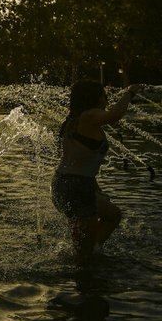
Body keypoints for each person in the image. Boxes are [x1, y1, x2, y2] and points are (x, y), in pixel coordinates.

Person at [51, 80, 144, 264]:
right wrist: (130, 93)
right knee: (83, 255)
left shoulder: (74, 120)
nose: (106, 99)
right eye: (103, 95)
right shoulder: (89, 116)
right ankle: (84, 272)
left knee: (112, 215)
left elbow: (81, 159)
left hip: (66, 183)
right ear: (93, 98)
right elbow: (115, 115)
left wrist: (95, 186)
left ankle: (91, 251)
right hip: (76, 186)